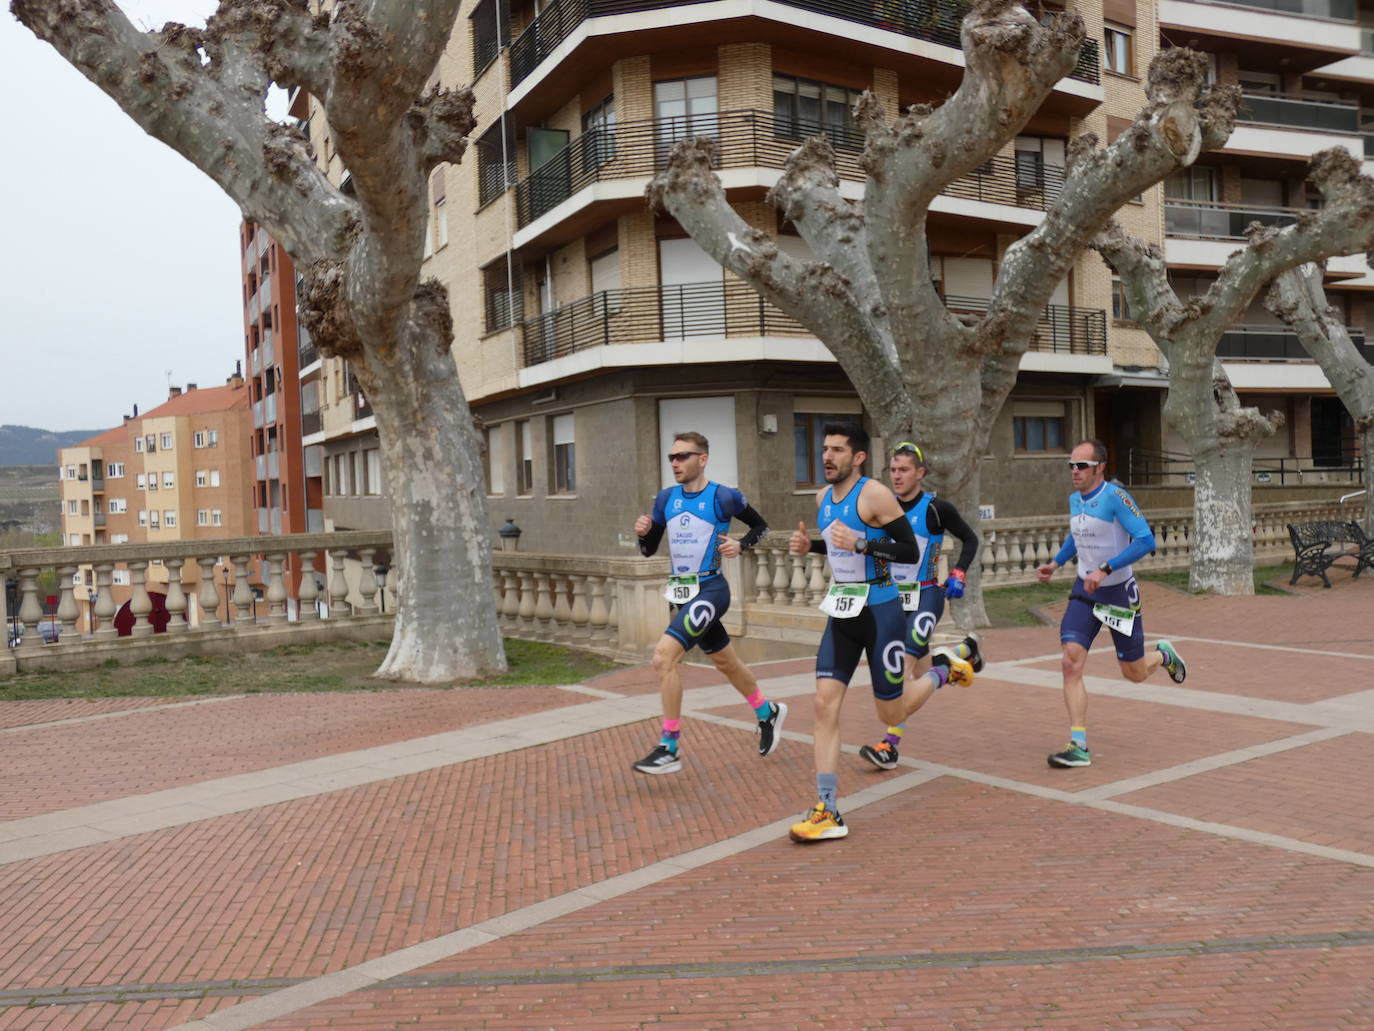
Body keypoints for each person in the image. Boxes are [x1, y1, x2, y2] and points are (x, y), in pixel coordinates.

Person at [786, 422, 975, 842]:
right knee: (823, 705)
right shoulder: (822, 498)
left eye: (837, 450)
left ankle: (942, 669)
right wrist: (810, 547)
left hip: (882, 610)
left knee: (892, 713)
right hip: (842, 611)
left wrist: (862, 545)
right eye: (824, 449)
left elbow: (907, 550)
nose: (827, 457)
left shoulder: (874, 494)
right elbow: (837, 544)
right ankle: (827, 808)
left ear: (857, 457)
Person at [632, 432, 784, 774]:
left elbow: (761, 526)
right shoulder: (665, 499)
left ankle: (668, 746)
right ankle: (766, 712)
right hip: (680, 593)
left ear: (702, 459)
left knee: (663, 658)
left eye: (683, 456)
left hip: (711, 590)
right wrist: (643, 533)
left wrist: (741, 545)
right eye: (672, 457)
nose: (675, 463)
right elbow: (649, 549)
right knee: (726, 663)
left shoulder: (723, 497)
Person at [1035, 439, 1187, 768]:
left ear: (1099, 467)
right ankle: (1078, 745)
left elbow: (1146, 540)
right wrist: (1056, 563)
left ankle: (1162, 656)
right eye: (1071, 466)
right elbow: (1077, 537)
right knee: (1070, 662)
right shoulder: (1075, 500)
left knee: (1132, 673)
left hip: (1117, 594)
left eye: (1081, 466)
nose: (1074, 471)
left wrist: (1106, 569)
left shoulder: (1116, 498)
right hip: (1085, 592)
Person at [859, 441, 983, 771]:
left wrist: (958, 571)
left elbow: (970, 539)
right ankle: (958, 658)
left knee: (898, 671)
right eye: (893, 470)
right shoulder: (881, 509)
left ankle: (889, 745)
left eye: (904, 470)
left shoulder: (935, 509)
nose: (896, 477)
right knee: (920, 674)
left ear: (920, 473)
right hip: (891, 602)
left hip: (927, 597)